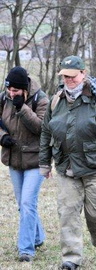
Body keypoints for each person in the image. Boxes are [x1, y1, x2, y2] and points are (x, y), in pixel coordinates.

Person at [39, 55, 96, 270]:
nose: (68, 80)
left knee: (95, 212)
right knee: (67, 211)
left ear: (83, 74)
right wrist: (44, 162)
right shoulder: (56, 100)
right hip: (67, 167)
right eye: (64, 76)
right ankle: (71, 258)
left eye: (72, 76)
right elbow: (46, 131)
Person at [0, 66, 48, 262]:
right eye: (9, 90)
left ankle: (26, 249)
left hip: (35, 160)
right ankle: (38, 236)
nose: (12, 94)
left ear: (25, 88)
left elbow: (42, 128)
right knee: (23, 204)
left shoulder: (41, 100)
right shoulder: (3, 98)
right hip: (14, 159)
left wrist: (22, 108)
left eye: (16, 91)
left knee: (28, 203)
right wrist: (2, 137)